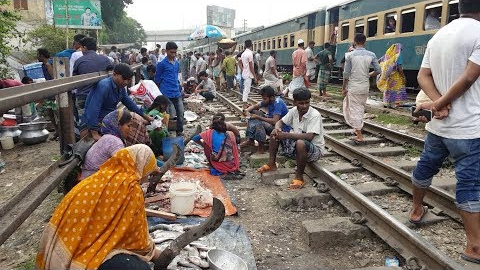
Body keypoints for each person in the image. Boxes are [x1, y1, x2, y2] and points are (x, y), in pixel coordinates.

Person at [409, 0, 480, 264]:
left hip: (438, 126)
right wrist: (441, 103)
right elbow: (470, 77)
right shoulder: (478, 33)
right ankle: (474, 246)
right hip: (469, 128)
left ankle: (416, 210)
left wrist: (438, 102)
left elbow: (422, 75)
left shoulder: (440, 34)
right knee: (471, 184)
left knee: (426, 166)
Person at [36, 145, 161, 270]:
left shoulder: (100, 177)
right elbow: (136, 239)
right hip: (83, 254)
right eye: (148, 172)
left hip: (60, 248)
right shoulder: (130, 187)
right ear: (140, 166)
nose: (147, 178)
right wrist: (153, 252)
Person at [257, 87, 325, 189]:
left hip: (314, 151)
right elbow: (280, 122)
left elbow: (309, 137)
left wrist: (286, 135)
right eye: (301, 103)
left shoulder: (314, 115)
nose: (304, 106)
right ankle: (271, 164)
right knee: (274, 133)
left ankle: (299, 177)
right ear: (295, 103)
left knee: (301, 143)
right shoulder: (294, 111)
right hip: (298, 146)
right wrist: (277, 129)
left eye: (307, 102)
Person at [82, 64, 152, 141]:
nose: (126, 82)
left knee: (133, 120)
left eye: (128, 80)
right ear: (114, 74)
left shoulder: (120, 87)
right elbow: (93, 110)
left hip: (109, 118)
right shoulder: (104, 86)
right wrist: (94, 133)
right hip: (97, 121)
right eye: (124, 78)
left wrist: (146, 117)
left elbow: (130, 104)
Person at [342, 33, 381, 144]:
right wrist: (368, 74)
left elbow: (346, 74)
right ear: (365, 42)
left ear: (354, 41)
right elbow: (378, 70)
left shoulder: (349, 55)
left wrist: (344, 87)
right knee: (360, 107)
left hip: (354, 86)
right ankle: (357, 128)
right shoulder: (371, 54)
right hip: (365, 86)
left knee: (354, 109)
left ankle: (359, 135)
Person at [72, 37, 113, 135]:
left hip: (83, 96)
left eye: (81, 48)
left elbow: (74, 79)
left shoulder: (79, 61)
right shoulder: (105, 59)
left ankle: (84, 147)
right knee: (102, 121)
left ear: (84, 48)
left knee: (84, 124)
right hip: (103, 96)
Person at [80, 109, 132, 180]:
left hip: (87, 177)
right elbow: (123, 167)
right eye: (128, 126)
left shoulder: (107, 137)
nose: (131, 129)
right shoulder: (115, 142)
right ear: (118, 125)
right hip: (93, 180)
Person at [241, 86, 290, 154]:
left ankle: (261, 148)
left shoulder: (278, 103)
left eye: (265, 98)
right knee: (254, 112)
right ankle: (251, 140)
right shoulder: (269, 101)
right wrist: (246, 110)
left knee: (258, 122)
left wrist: (258, 117)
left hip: (281, 129)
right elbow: (255, 106)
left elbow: (275, 121)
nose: (263, 100)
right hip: (272, 126)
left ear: (272, 97)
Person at [192, 113, 241, 179]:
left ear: (212, 122)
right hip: (231, 164)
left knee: (207, 142)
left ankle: (214, 165)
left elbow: (194, 138)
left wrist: (203, 145)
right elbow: (238, 138)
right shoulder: (230, 133)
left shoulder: (208, 133)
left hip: (218, 164)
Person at [154, 41, 184, 137]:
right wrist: (158, 93)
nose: (173, 54)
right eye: (171, 52)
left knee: (180, 112)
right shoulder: (161, 64)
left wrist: (180, 87)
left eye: (175, 52)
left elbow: (177, 76)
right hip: (165, 92)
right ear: (166, 51)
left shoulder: (177, 63)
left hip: (176, 91)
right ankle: (165, 133)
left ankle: (179, 131)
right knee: (166, 115)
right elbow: (157, 79)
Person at [377, 43, 407, 108]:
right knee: (397, 89)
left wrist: (383, 67)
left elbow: (378, 61)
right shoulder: (398, 56)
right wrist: (403, 76)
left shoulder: (387, 55)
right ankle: (395, 104)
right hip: (396, 76)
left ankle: (387, 103)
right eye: (400, 49)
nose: (400, 51)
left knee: (388, 89)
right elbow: (399, 68)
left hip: (389, 76)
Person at [241, 40, 256, 109]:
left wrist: (243, 69)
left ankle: (245, 103)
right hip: (248, 74)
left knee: (246, 89)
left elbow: (240, 62)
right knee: (246, 89)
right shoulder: (250, 53)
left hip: (245, 73)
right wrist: (255, 76)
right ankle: (244, 104)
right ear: (251, 45)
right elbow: (251, 66)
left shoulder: (243, 53)